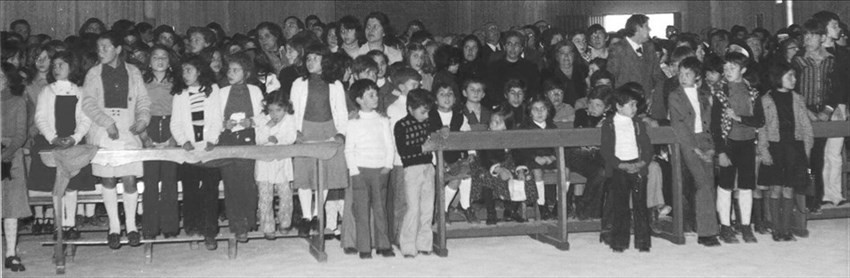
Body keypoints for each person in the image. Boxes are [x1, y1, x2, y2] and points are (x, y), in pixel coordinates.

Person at [81, 31, 151, 249]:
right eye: (99, 48)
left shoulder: (133, 71)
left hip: (127, 130)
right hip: (104, 130)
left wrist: (142, 121)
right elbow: (88, 103)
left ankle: (131, 226)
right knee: (108, 179)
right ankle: (113, 227)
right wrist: (106, 122)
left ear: (118, 49)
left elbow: (142, 101)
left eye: (106, 47)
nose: (101, 52)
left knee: (129, 178)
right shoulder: (94, 73)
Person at [290, 44, 349, 237]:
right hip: (306, 130)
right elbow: (292, 110)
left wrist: (341, 133)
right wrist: (295, 131)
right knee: (305, 175)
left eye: (315, 58)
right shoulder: (298, 83)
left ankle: (317, 215)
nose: (310, 62)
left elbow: (341, 111)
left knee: (324, 175)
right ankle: (306, 216)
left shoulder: (336, 84)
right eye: (308, 59)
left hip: (328, 130)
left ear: (325, 61)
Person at [667, 57, 722, 247]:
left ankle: (707, 227)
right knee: (703, 183)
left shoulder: (705, 95)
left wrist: (712, 148)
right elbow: (680, 126)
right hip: (688, 143)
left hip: (705, 141)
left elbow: (713, 124)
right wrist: (696, 149)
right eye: (680, 74)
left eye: (688, 74)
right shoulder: (675, 96)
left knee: (709, 184)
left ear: (697, 76)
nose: (683, 77)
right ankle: (708, 233)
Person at [170, 55, 222, 250]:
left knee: (210, 189)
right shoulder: (180, 94)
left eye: (189, 70)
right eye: (183, 71)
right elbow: (175, 123)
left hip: (209, 148)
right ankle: (192, 227)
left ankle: (210, 231)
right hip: (189, 149)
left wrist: (212, 140)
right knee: (190, 187)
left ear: (199, 71)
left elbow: (217, 118)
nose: (185, 74)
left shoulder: (213, 90)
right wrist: (184, 142)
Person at [757, 62, 814, 242]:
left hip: (794, 147)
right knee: (775, 189)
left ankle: (787, 228)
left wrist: (806, 150)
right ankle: (776, 228)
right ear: (777, 77)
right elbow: (762, 127)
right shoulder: (766, 100)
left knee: (789, 189)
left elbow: (806, 126)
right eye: (790, 76)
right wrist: (764, 150)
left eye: (794, 76)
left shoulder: (798, 99)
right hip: (775, 147)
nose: (794, 79)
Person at [711, 52, 764, 244]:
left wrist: (740, 118)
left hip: (748, 142)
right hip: (728, 143)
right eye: (725, 69)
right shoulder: (720, 93)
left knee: (746, 186)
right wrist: (721, 151)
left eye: (732, 68)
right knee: (725, 185)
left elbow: (759, 120)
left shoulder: (753, 92)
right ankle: (725, 226)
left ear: (743, 70)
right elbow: (715, 126)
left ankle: (746, 225)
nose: (727, 72)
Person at [213, 52, 263, 242]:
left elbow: (263, 115)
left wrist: (251, 121)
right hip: (227, 139)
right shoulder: (222, 91)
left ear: (246, 73)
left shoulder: (255, 91)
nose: (230, 73)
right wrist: (223, 124)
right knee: (230, 182)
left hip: (248, 138)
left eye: (236, 70)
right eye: (229, 70)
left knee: (247, 181)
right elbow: (215, 116)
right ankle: (236, 224)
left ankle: (248, 220)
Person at [344, 79, 396, 259]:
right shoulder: (353, 122)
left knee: (380, 208)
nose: (376, 98)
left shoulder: (382, 120)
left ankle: (384, 244)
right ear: (359, 99)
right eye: (371, 95)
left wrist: (388, 166)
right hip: (360, 170)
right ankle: (364, 247)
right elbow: (349, 149)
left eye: (376, 94)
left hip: (380, 170)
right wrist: (354, 171)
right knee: (361, 210)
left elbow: (390, 145)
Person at [600, 87, 654, 253]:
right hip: (619, 168)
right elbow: (606, 151)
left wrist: (641, 163)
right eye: (631, 105)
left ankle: (643, 242)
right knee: (620, 206)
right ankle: (619, 242)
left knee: (640, 205)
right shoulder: (609, 125)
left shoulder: (637, 123)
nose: (635, 109)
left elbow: (647, 147)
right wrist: (621, 165)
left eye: (636, 105)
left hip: (637, 166)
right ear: (618, 106)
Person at [140, 45, 179, 239]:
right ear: (149, 62)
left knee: (170, 181)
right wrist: (144, 137)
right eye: (155, 57)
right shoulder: (142, 82)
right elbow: (137, 110)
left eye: (164, 57)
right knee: (151, 181)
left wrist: (175, 138)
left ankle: (171, 226)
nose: (160, 60)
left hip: (171, 126)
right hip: (150, 126)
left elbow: (181, 112)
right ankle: (150, 227)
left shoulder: (176, 82)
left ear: (170, 61)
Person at [394, 88, 436, 258]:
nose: (426, 116)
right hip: (412, 170)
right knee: (413, 208)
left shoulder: (428, 121)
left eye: (428, 112)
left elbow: (437, 137)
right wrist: (422, 148)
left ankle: (424, 243)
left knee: (428, 207)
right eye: (423, 112)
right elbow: (403, 151)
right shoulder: (401, 125)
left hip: (428, 167)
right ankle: (408, 244)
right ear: (410, 108)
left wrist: (442, 134)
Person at [607, 14, 667, 121]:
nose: (650, 29)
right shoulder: (617, 48)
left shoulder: (650, 47)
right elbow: (612, 78)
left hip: (648, 106)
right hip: (626, 105)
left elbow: (658, 76)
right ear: (638, 28)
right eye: (646, 26)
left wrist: (654, 95)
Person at [254, 91, 297, 240]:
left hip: (282, 164)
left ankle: (285, 222)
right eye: (271, 110)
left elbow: (291, 137)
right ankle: (268, 226)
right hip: (264, 164)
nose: (274, 114)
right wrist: (267, 128)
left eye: (278, 110)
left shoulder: (289, 119)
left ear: (285, 108)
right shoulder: (263, 120)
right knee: (265, 197)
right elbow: (259, 139)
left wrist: (276, 139)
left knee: (286, 195)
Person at [2, 62, 31, 272]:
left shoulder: (18, 101)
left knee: (10, 206)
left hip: (10, 156)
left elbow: (21, 134)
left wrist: (6, 154)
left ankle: (11, 253)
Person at [485, 31, 540, 109]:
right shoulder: (494, 67)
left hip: (524, 107)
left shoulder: (530, 67)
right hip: (501, 108)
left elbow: (533, 90)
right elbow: (491, 91)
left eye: (516, 44)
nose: (513, 47)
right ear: (504, 47)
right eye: (509, 44)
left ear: (521, 48)